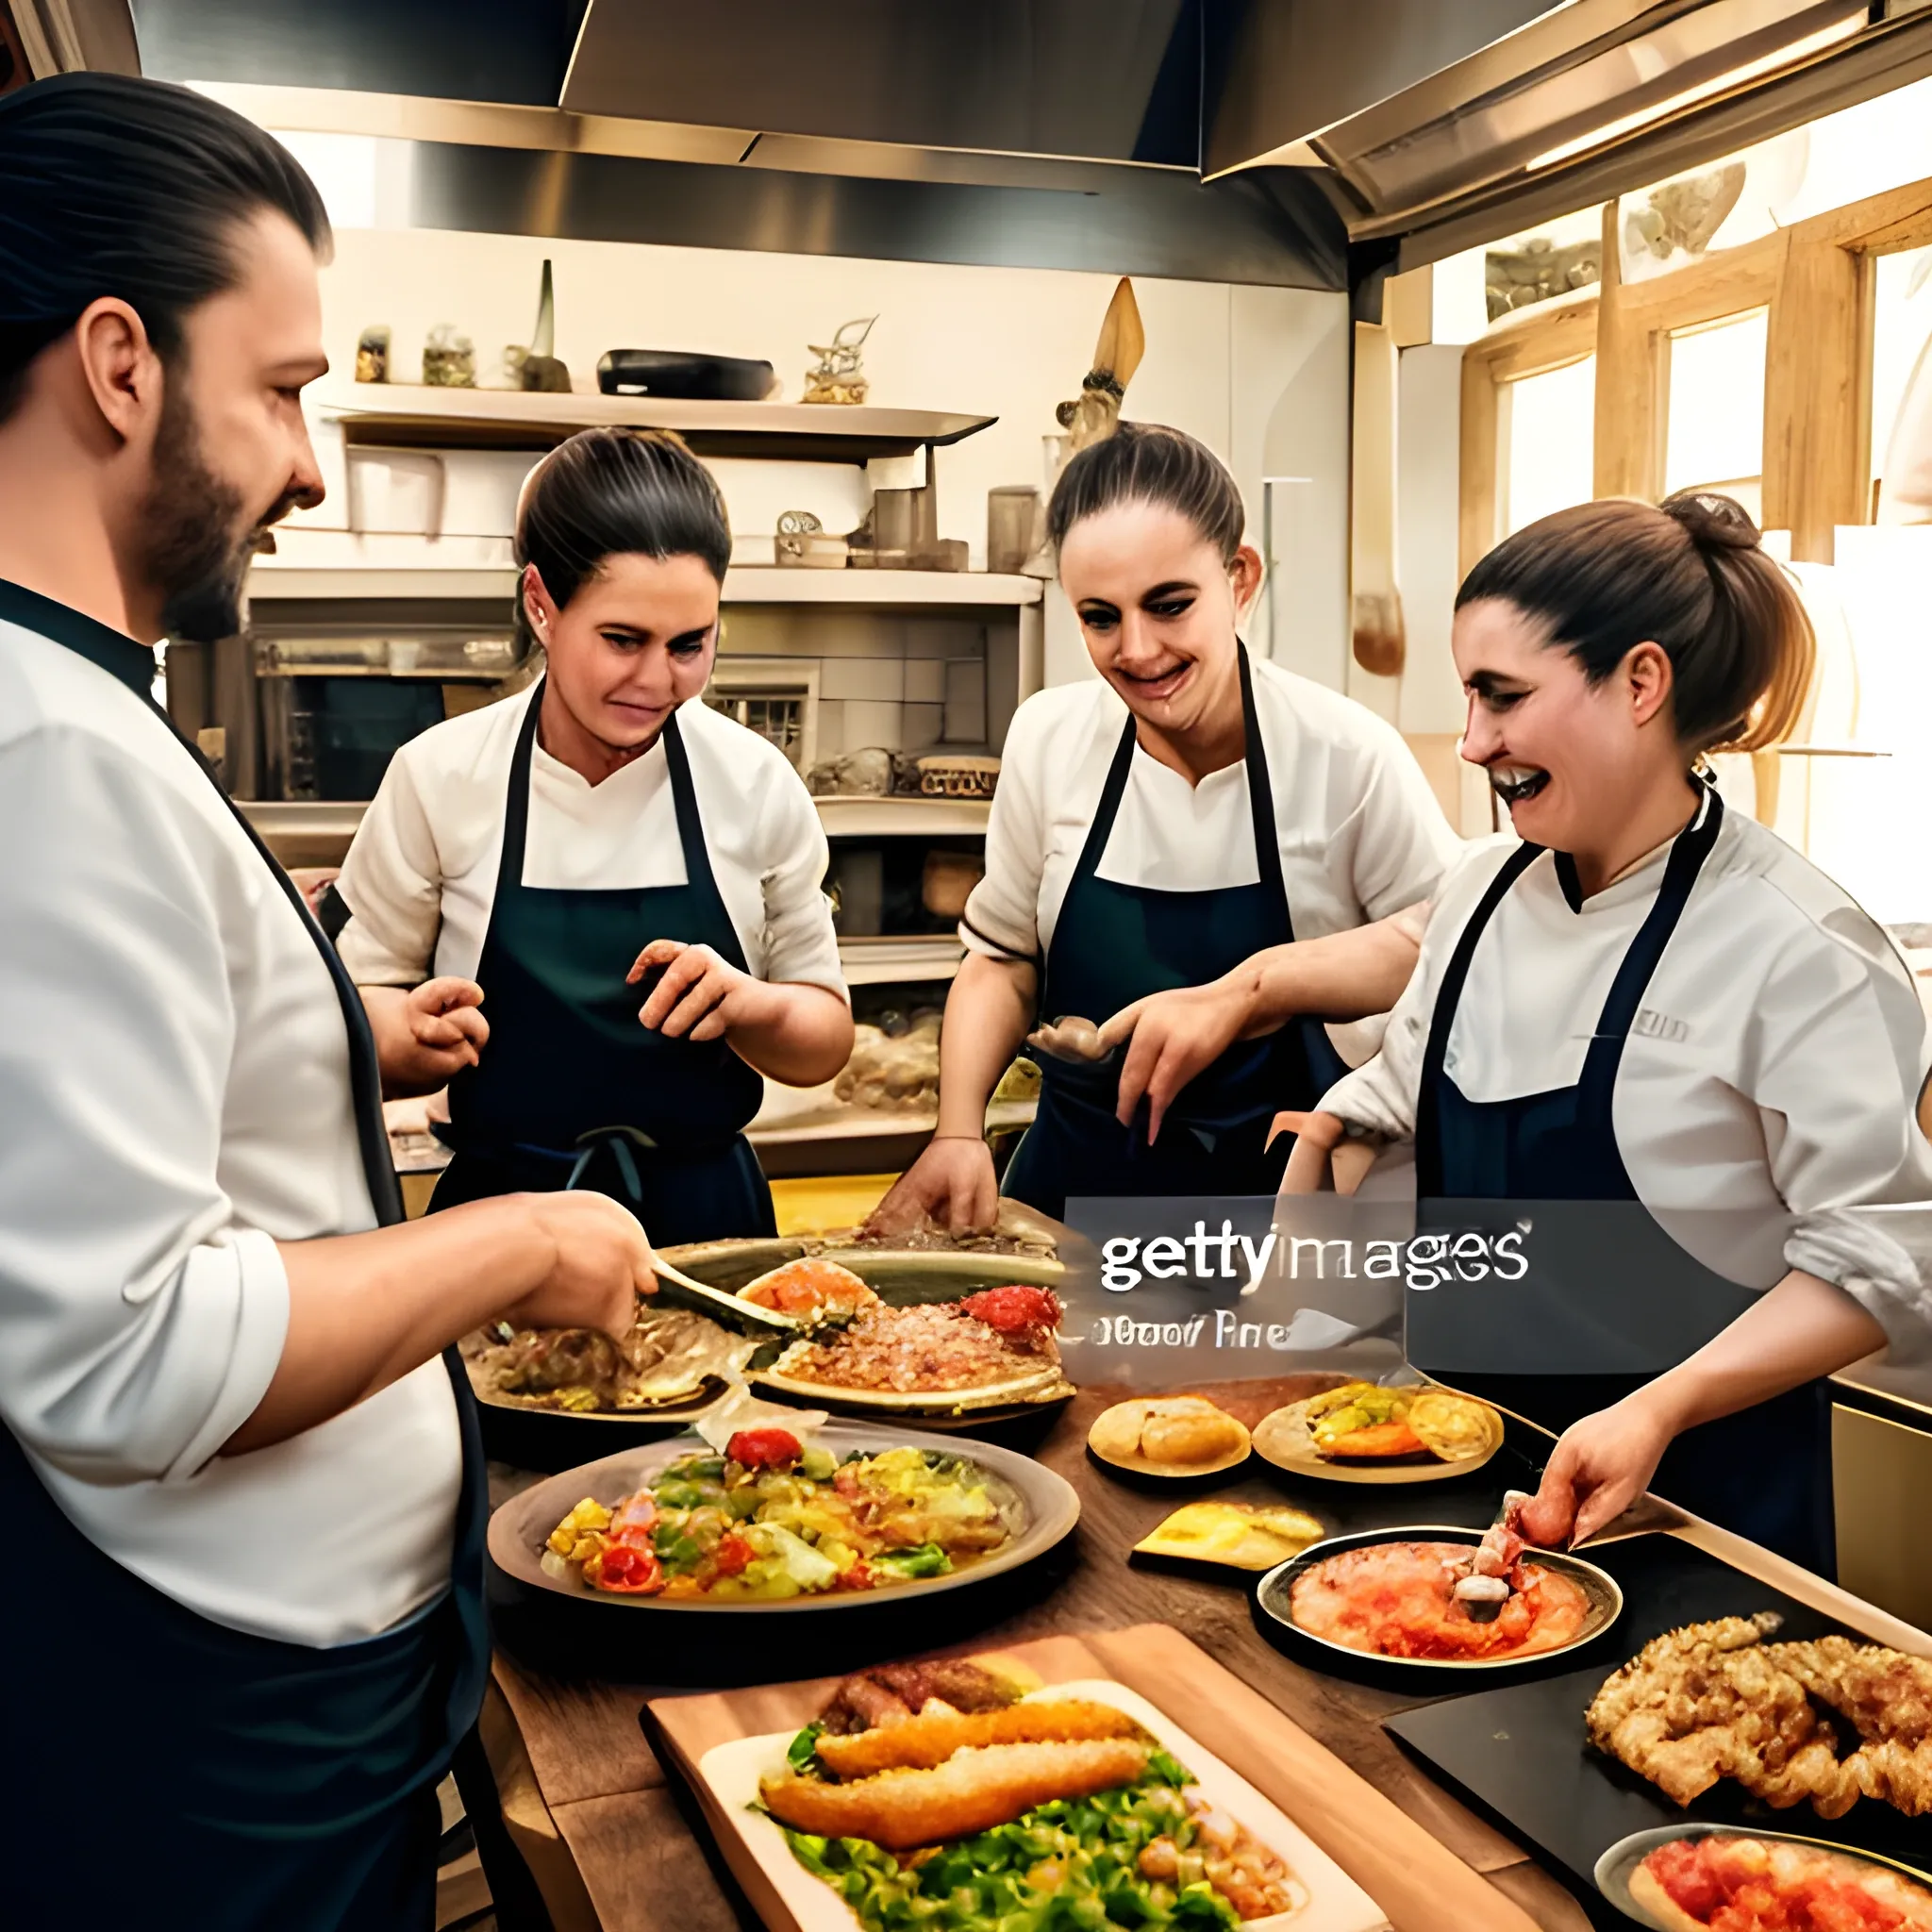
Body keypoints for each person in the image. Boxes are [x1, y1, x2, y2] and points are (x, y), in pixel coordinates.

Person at [0, 75, 652, 1925]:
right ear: (119, 362)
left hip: (257, 1673)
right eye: (282, 389)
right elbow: (128, 1355)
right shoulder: (50, 743)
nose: (308, 463)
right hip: (214, 1722)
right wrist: (524, 1237)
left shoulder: (79, 704)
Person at [1284, 492, 1932, 1574]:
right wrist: (1328, 1152)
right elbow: (1405, 1089)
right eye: (1470, 697)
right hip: (1448, 1498)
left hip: (1698, 1521)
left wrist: (1660, 1406)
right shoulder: (1480, 888)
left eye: (1504, 696)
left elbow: (1882, 1258)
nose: (1475, 740)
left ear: (1639, 682)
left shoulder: (1797, 946)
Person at [871, 423, 1459, 1228]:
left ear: (1240, 579)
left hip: (1281, 1220)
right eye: (1100, 618)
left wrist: (1254, 993)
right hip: (1069, 1203)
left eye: (1170, 605)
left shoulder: (1346, 757)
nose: (1138, 650)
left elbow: (1446, 958)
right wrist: (959, 1130)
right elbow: (1003, 960)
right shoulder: (1050, 739)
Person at [333, 427, 853, 1242]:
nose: (656, 681)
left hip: (708, 1225)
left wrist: (750, 1006)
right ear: (541, 603)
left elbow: (824, 1039)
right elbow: (354, 1016)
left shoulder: (753, 783)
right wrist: (404, 1033)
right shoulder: (439, 777)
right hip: (500, 1227)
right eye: (622, 640)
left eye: (691, 645)